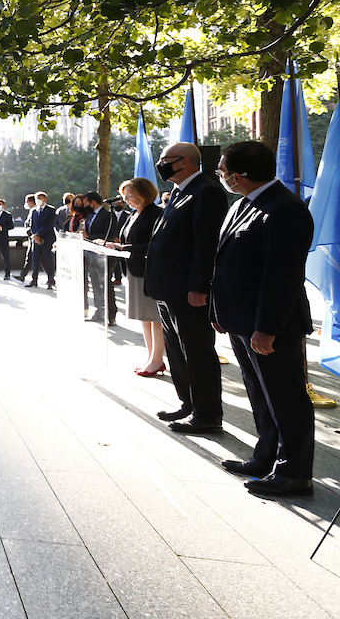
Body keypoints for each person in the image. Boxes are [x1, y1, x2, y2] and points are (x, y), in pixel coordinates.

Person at [212, 142, 315, 496]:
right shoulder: (243, 204)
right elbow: (226, 262)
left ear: (237, 176)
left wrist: (266, 328)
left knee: (286, 398)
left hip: (271, 325)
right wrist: (219, 311)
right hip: (242, 320)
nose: (221, 177)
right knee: (261, 394)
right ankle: (266, 456)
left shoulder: (285, 209)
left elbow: (282, 277)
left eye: (222, 171)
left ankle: (294, 473)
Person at [146, 142, 229, 433]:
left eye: (166, 159)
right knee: (176, 350)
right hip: (168, 287)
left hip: (188, 289)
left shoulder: (206, 192)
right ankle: (188, 403)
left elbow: (205, 245)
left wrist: (199, 286)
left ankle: (207, 414)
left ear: (186, 162)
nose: (161, 163)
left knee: (196, 350)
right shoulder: (181, 192)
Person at [102, 179, 164, 375]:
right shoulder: (133, 215)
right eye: (124, 195)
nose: (125, 199)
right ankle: (150, 357)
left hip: (149, 272)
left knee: (154, 318)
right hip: (134, 270)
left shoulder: (156, 214)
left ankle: (157, 359)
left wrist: (123, 248)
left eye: (130, 195)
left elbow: (155, 246)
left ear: (144, 193)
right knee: (144, 318)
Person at [82, 191, 118, 324]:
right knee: (95, 285)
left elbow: (110, 235)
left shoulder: (108, 215)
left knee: (106, 285)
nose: (85, 206)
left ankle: (111, 314)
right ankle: (99, 311)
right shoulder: (90, 216)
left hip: (104, 256)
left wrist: (89, 237)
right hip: (91, 256)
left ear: (93, 202)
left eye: (86, 203)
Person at [25, 191, 57, 289]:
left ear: (45, 199)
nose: (38, 200)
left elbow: (49, 224)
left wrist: (38, 234)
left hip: (47, 238)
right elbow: (31, 224)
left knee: (48, 260)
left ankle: (51, 280)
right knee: (35, 260)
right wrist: (34, 235)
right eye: (36, 198)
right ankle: (34, 280)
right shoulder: (34, 211)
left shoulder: (51, 210)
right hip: (36, 240)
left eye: (40, 198)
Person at [15, 194, 36, 281]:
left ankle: (23, 275)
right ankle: (23, 275)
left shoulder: (35, 211)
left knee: (34, 257)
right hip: (32, 238)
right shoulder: (32, 211)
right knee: (30, 257)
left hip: (35, 238)